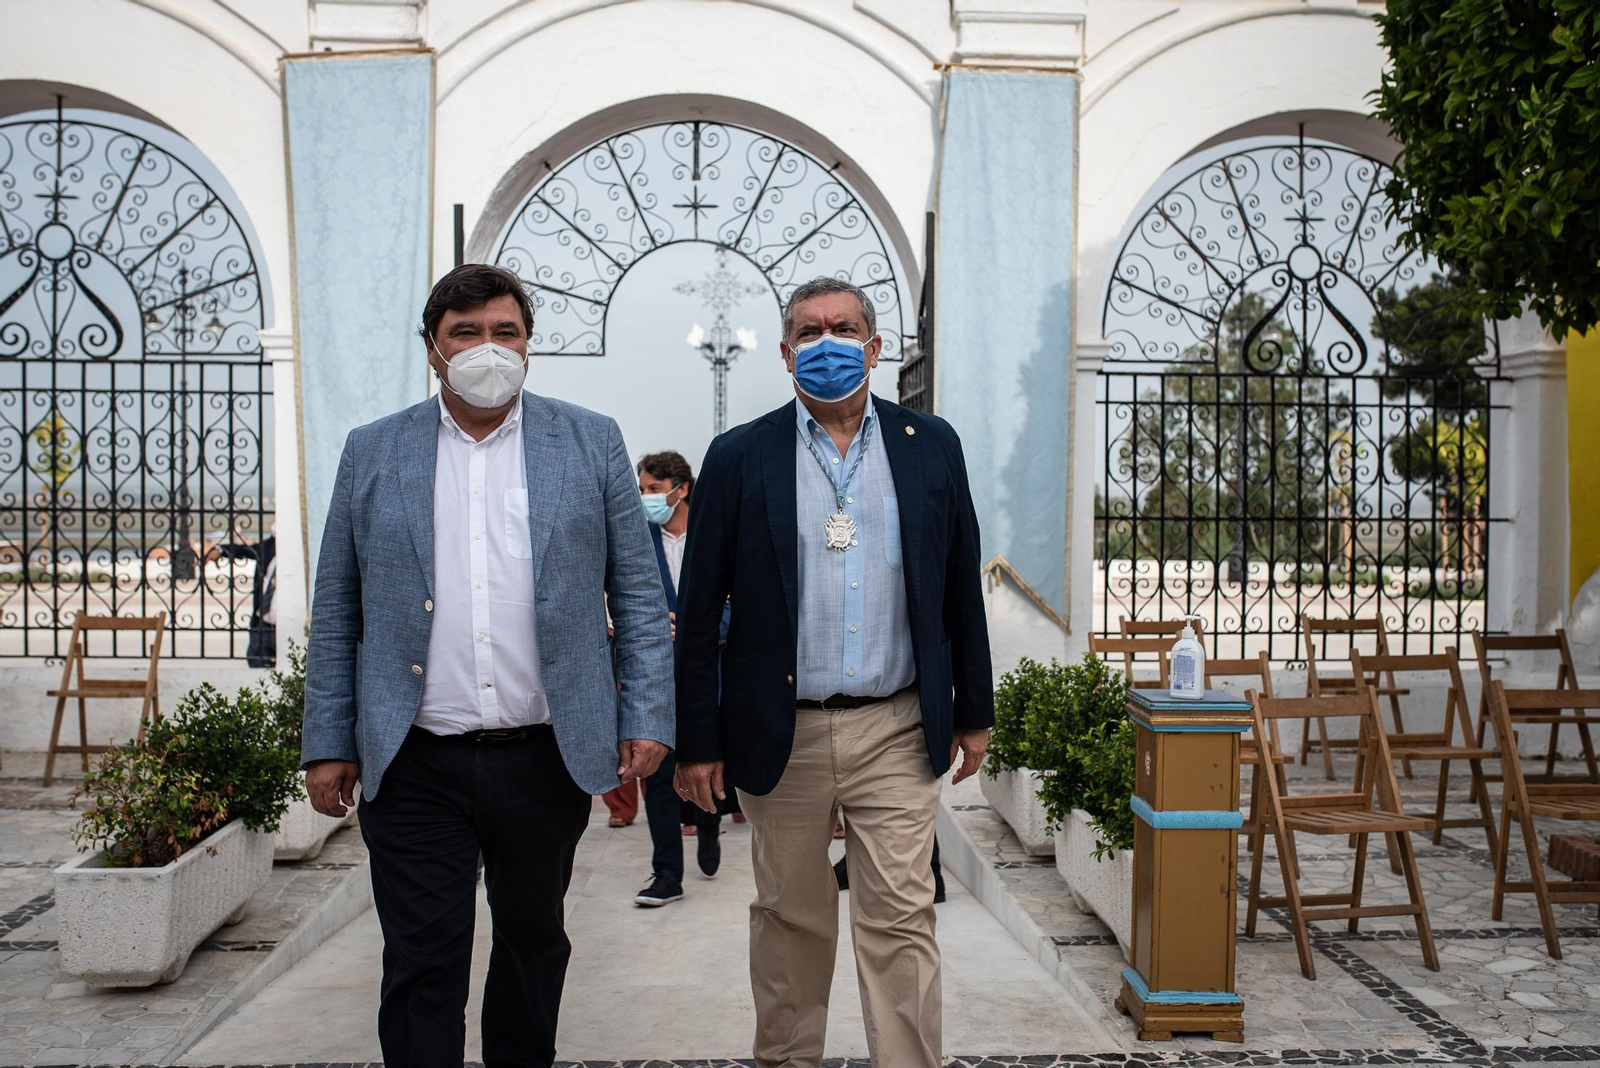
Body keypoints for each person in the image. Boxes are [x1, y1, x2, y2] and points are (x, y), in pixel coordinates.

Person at [300, 263, 673, 1068]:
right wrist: (327, 740)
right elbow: (337, 607)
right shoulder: (373, 451)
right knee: (421, 959)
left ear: (529, 344)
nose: (487, 348)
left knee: (534, 945)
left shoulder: (590, 440)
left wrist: (646, 714)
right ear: (433, 348)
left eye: (505, 331)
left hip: (542, 754)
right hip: (415, 758)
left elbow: (639, 594)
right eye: (465, 333)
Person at [673, 277, 993, 1068]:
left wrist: (973, 711)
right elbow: (699, 608)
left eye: (844, 329)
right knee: (789, 919)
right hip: (781, 731)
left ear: (874, 347)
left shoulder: (931, 445)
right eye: (809, 332)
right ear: (786, 354)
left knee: (901, 920)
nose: (827, 344)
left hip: (896, 724)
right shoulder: (738, 456)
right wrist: (698, 741)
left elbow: (959, 584)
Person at [633, 450, 727, 906]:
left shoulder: (713, 533)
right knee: (657, 771)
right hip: (656, 672)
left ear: (681, 488)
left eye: (653, 488)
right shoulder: (637, 538)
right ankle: (667, 872)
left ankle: (709, 826)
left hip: (711, 670)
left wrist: (699, 626)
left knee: (708, 758)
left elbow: (740, 598)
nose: (646, 497)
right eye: (642, 489)